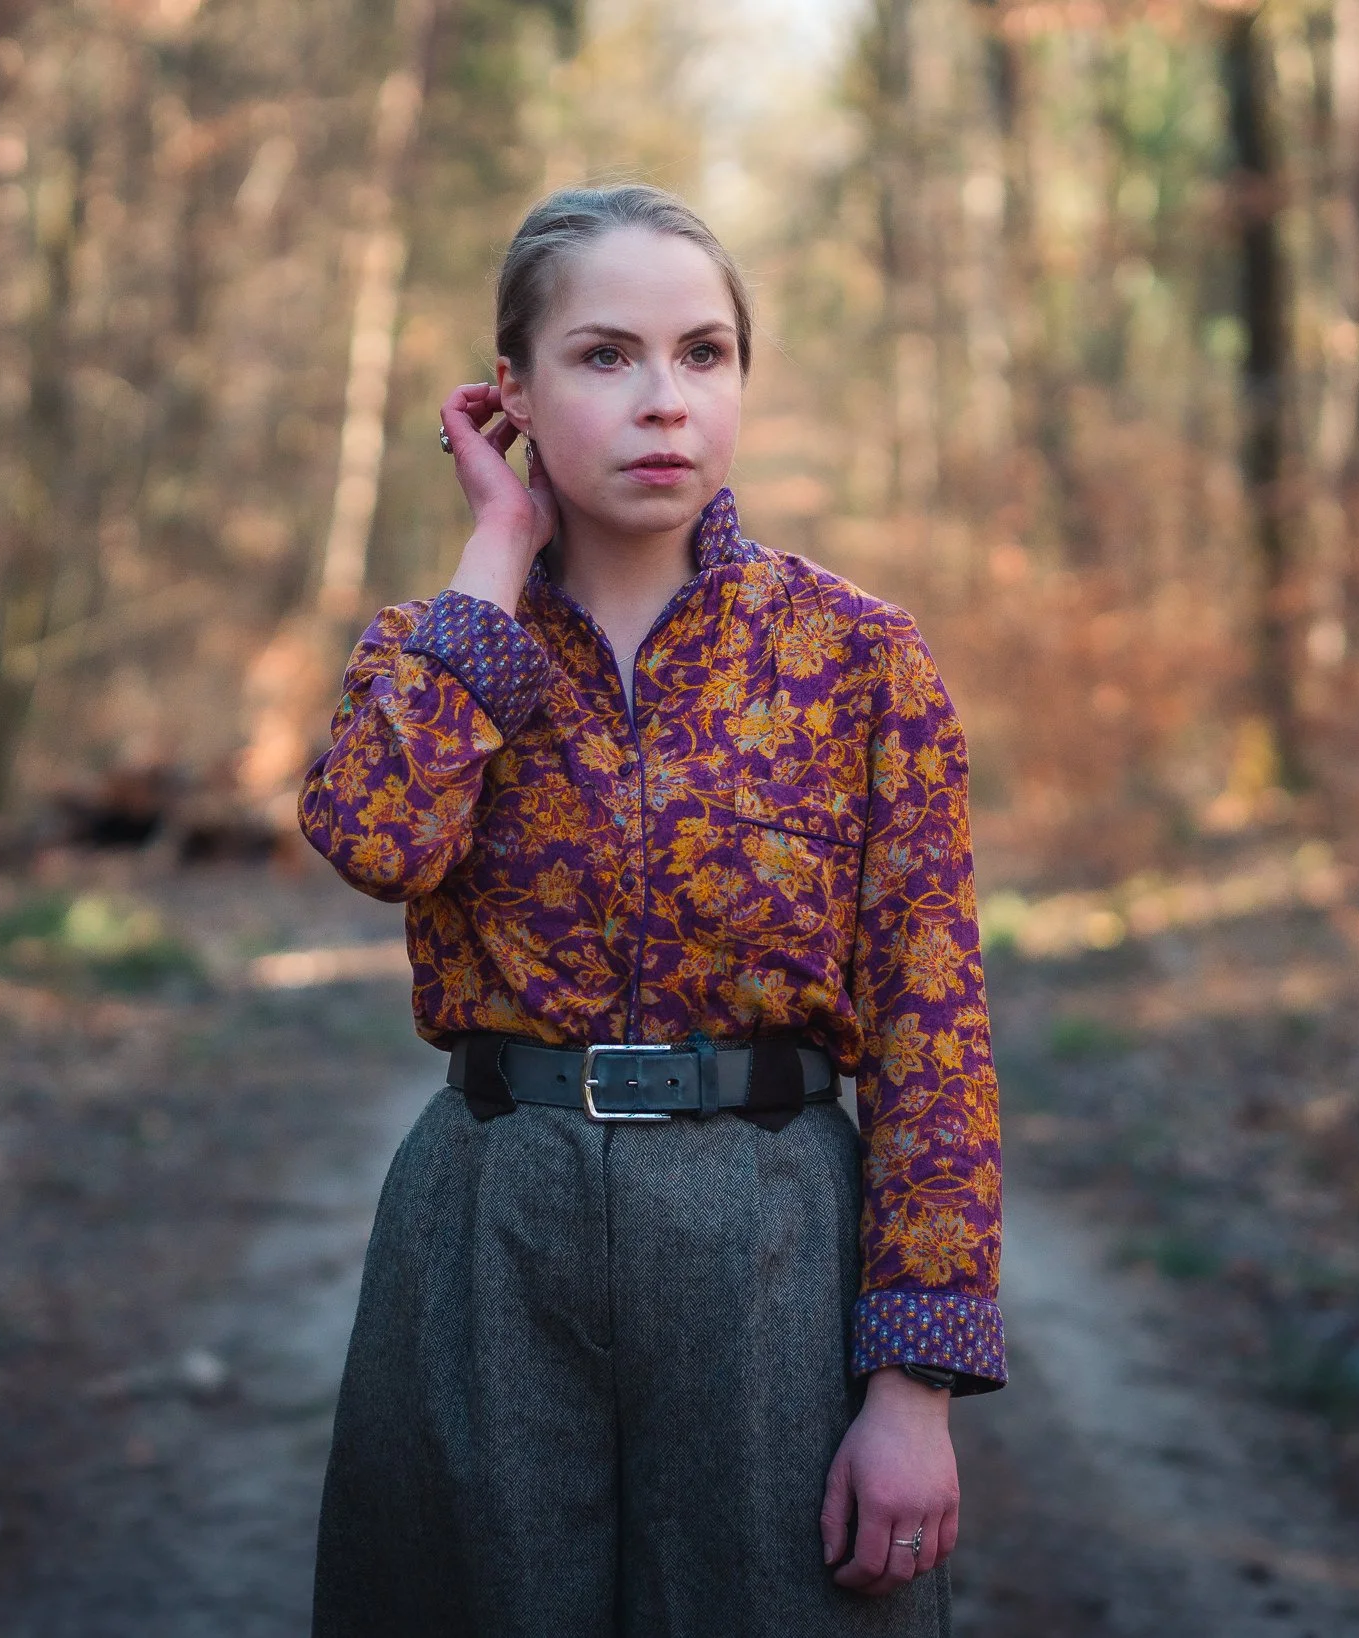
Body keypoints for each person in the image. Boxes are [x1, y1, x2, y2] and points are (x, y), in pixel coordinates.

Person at [301, 182, 1005, 1638]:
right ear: (512, 390)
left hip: (772, 1246)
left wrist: (913, 1384)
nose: (663, 400)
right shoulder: (435, 645)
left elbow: (937, 1038)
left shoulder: (858, 660)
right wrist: (493, 556)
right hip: (490, 1230)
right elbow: (375, 836)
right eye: (605, 355)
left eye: (704, 354)